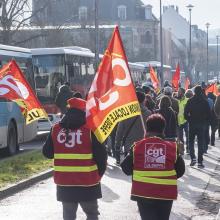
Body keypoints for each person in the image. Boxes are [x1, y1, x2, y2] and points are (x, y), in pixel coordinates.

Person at [42, 97, 107, 220]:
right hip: (88, 182)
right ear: (84, 111)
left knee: (69, 216)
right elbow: (102, 156)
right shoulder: (91, 130)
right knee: (92, 214)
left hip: (64, 183)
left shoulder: (56, 129)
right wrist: (99, 175)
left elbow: (47, 153)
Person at [121, 114, 185, 220]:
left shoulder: (137, 146)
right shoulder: (172, 147)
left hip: (143, 193)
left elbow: (126, 168)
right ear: (163, 129)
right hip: (166, 194)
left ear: (147, 127)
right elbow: (181, 170)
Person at [114, 90, 151, 165]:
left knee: (131, 170)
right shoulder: (149, 113)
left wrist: (117, 144)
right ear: (144, 100)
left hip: (129, 147)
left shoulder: (126, 113)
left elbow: (120, 130)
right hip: (144, 147)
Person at [184, 85, 211, 168]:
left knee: (191, 141)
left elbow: (185, 113)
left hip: (192, 124)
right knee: (200, 142)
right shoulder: (205, 101)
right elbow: (209, 114)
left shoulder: (190, 101)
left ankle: (193, 158)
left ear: (194, 92)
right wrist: (205, 121)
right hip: (201, 124)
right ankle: (200, 161)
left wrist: (189, 119)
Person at [177, 88, 189, 154]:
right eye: (178, 91)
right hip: (179, 121)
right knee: (180, 137)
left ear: (183, 93)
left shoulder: (187, 100)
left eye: (179, 92)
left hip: (186, 121)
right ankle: (182, 150)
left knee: (188, 136)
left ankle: (188, 149)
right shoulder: (176, 100)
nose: (178, 93)